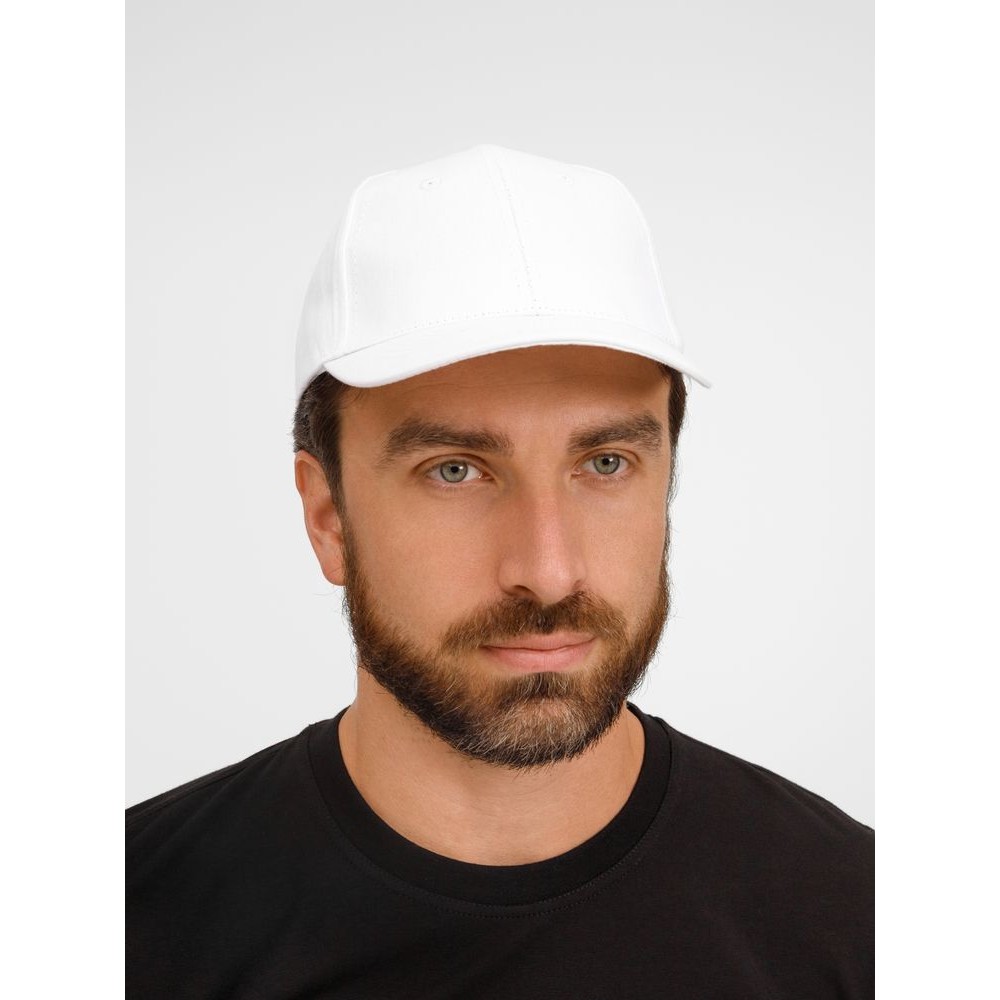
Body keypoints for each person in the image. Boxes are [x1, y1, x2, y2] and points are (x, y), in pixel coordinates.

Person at [126, 145, 874, 998]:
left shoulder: (862, 926)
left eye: (605, 463)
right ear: (327, 516)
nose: (549, 573)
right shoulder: (122, 931)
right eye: (455, 470)